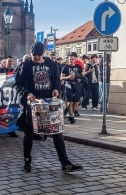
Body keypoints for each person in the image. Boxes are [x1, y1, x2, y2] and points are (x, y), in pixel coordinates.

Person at [15, 43, 83, 173]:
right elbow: (18, 84)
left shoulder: (51, 64)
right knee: (29, 133)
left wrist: (56, 89)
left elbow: (56, 80)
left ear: (43, 53)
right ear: (30, 53)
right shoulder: (25, 65)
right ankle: (27, 160)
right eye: (34, 55)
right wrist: (27, 93)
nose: (36, 57)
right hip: (33, 104)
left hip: (49, 104)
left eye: (38, 55)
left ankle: (65, 162)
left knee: (57, 132)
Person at [61, 53, 83, 123]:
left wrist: (80, 79)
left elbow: (82, 76)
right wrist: (67, 77)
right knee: (70, 101)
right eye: (70, 59)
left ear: (75, 59)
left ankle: (72, 113)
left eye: (72, 59)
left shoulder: (79, 67)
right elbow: (61, 77)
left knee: (75, 101)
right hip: (68, 85)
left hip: (77, 86)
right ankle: (71, 116)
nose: (71, 60)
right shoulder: (65, 67)